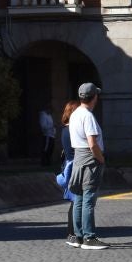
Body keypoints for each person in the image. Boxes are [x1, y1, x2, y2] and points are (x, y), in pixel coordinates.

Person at [67, 83, 107, 249]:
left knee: (79, 198)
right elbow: (92, 143)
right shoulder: (88, 116)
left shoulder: (75, 113)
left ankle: (78, 236)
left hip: (78, 157)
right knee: (89, 198)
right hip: (90, 159)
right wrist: (101, 159)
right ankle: (89, 237)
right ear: (94, 97)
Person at [60, 99, 83, 243]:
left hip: (71, 166)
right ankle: (72, 233)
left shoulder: (66, 129)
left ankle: (72, 232)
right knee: (76, 202)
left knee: (75, 201)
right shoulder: (69, 130)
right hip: (74, 166)